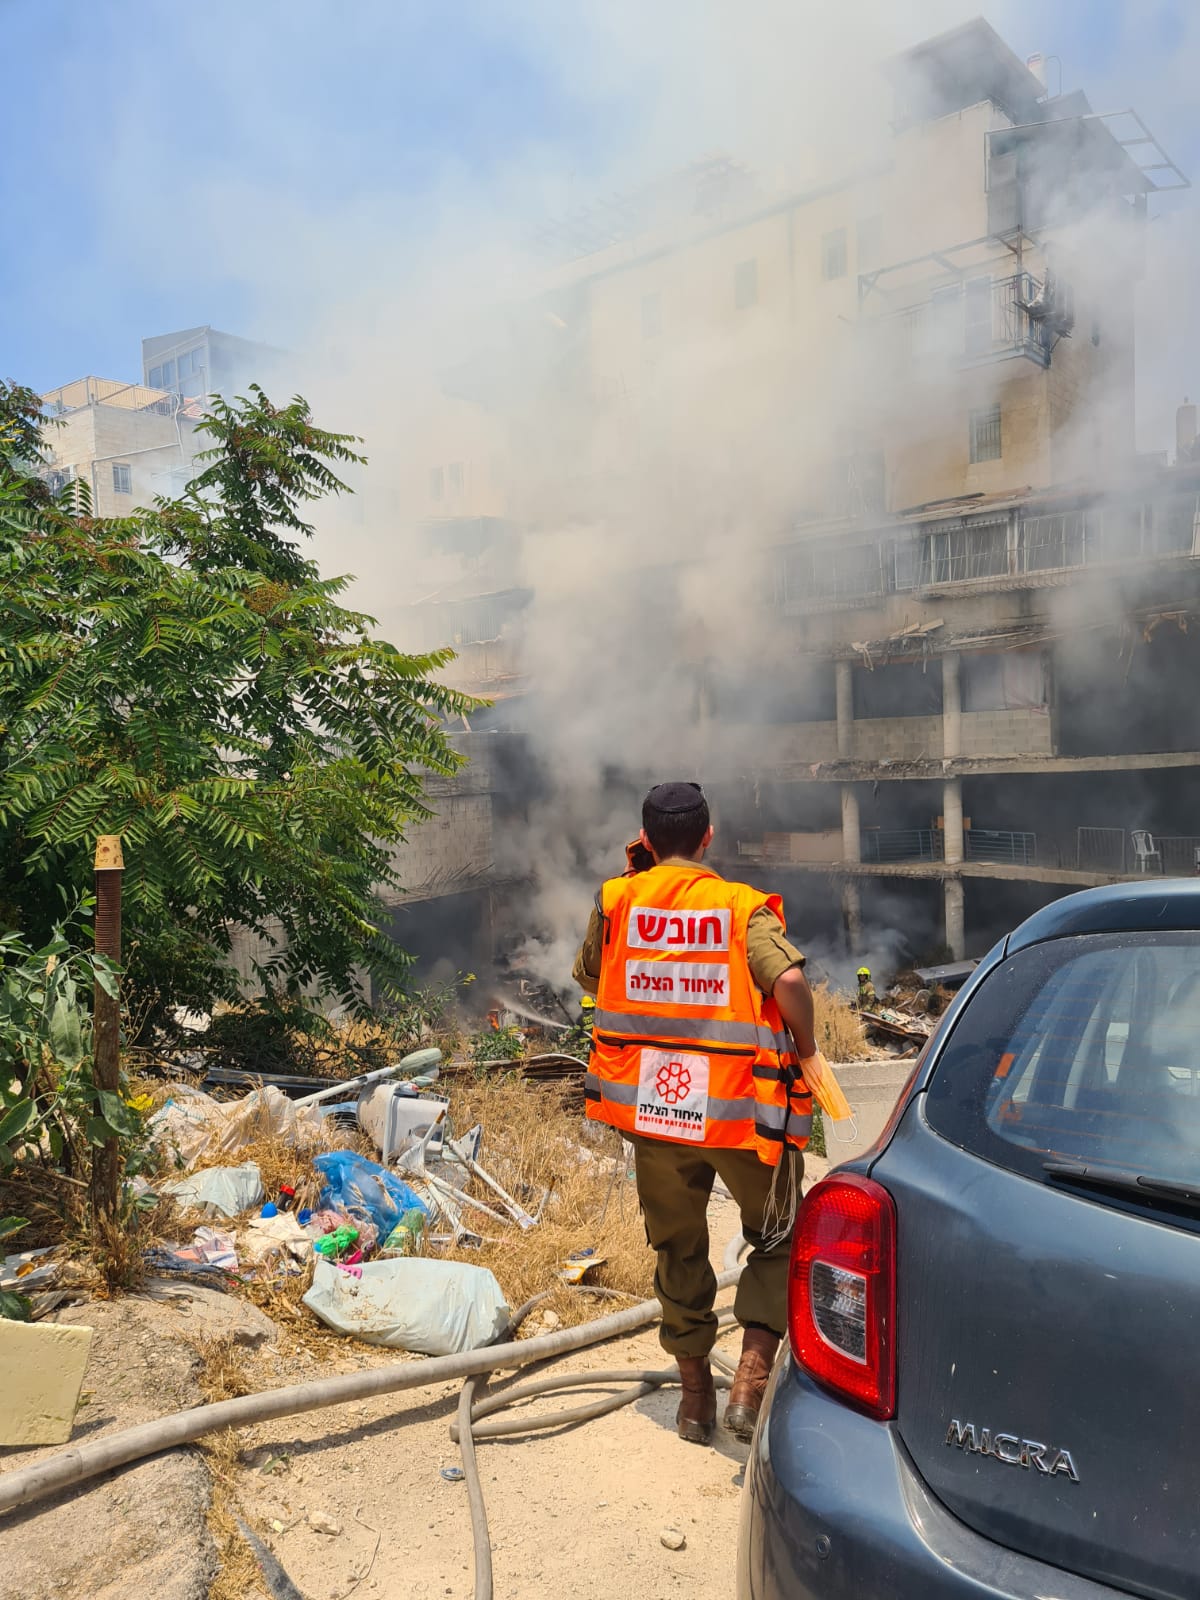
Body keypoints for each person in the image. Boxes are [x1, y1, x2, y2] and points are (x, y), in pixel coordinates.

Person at [573, 781, 830, 1445]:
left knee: (677, 1247)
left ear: (647, 838)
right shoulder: (739, 907)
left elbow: (593, 977)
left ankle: (694, 1402)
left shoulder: (617, 900)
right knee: (777, 1234)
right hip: (739, 1113)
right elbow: (791, 983)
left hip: (659, 1113)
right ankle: (749, 1378)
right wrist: (808, 1048)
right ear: (710, 836)